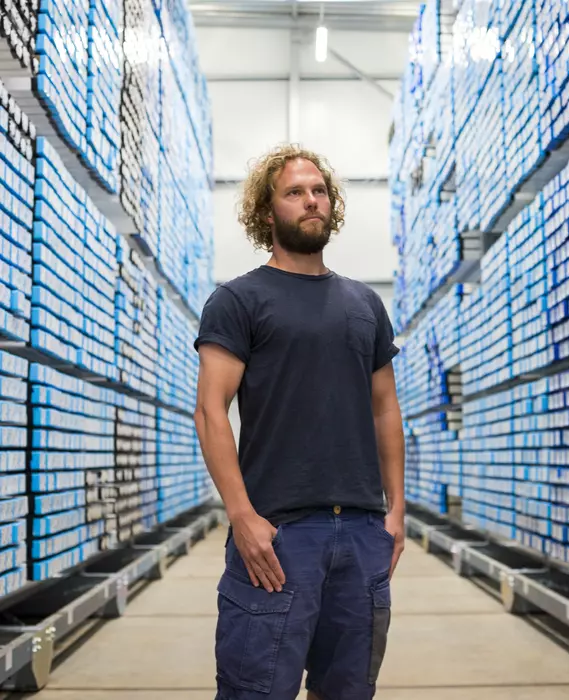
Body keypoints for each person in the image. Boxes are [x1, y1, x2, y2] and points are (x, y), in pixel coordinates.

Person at [193, 144, 405, 700]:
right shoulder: (239, 300)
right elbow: (211, 410)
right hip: (279, 536)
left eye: (318, 191)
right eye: (293, 192)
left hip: (362, 533)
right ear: (267, 212)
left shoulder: (364, 304)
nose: (310, 200)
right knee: (255, 690)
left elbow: (385, 408)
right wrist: (241, 517)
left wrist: (396, 512)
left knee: (349, 691)